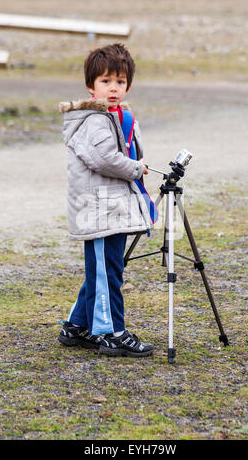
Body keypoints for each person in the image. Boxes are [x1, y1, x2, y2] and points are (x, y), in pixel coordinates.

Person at [57, 43, 154, 357]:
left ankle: (77, 326)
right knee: (106, 272)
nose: (114, 88)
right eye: (106, 81)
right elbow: (106, 160)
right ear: (91, 86)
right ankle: (111, 332)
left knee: (104, 269)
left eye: (120, 82)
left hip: (110, 209)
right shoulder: (94, 120)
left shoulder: (116, 117)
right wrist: (136, 168)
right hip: (97, 211)